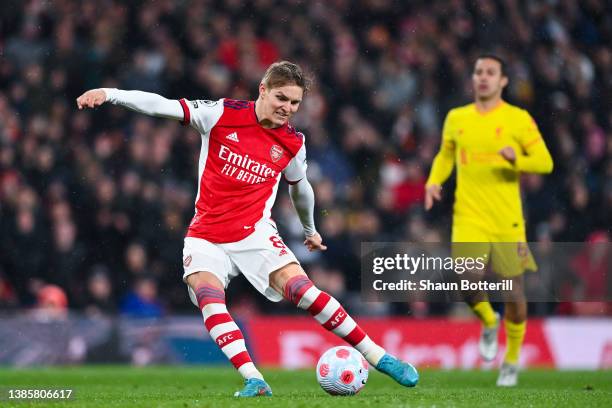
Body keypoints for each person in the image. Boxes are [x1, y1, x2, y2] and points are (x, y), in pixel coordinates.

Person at [77, 61, 418, 397]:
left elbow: (301, 188)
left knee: (305, 293)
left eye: (295, 102)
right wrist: (110, 94)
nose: (287, 108)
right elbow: (161, 106)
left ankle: (379, 357)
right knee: (209, 298)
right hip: (206, 234)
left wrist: (310, 229)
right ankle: (254, 379)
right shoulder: (221, 114)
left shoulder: (291, 143)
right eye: (281, 98)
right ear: (263, 90)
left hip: (255, 233)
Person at [425, 55, 553, 386]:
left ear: (503, 81)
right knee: (465, 277)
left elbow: (545, 162)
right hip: (468, 215)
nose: (483, 77)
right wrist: (433, 180)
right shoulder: (457, 117)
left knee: (515, 295)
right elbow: (446, 155)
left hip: (507, 220)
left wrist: (518, 159)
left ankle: (510, 361)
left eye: (490, 73)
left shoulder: (518, 119)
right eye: (479, 71)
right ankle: (487, 319)